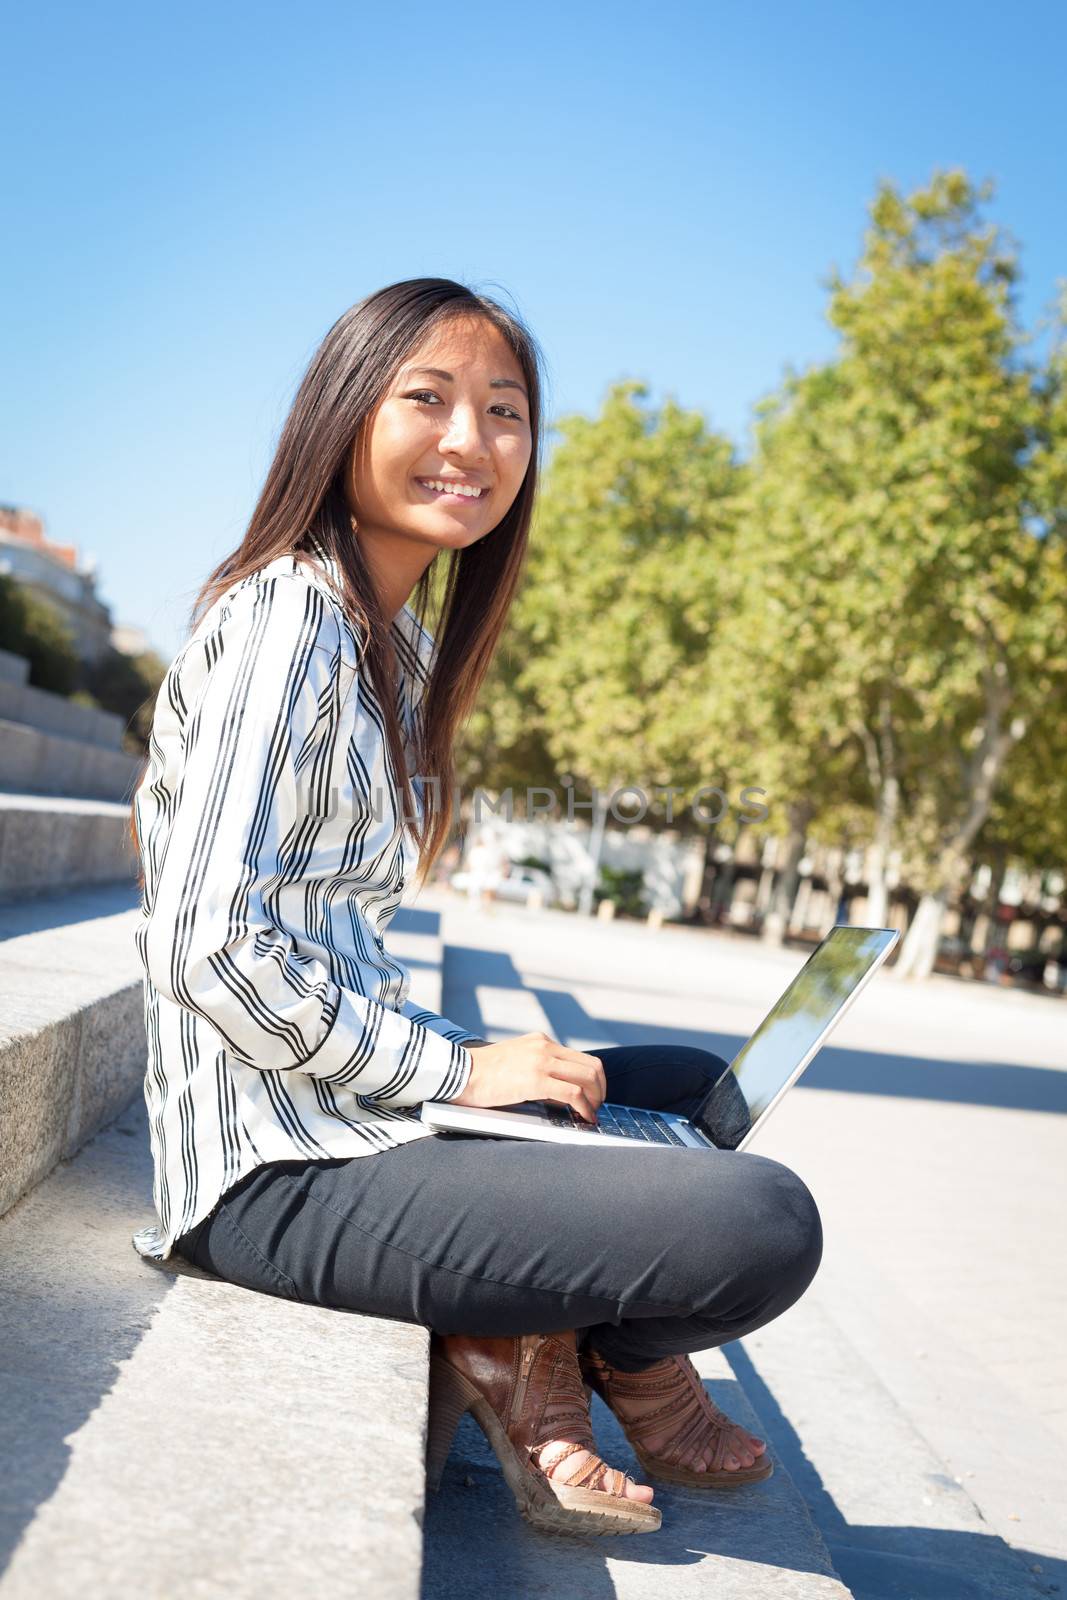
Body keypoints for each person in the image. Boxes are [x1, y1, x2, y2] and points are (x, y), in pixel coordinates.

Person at [128, 277, 822, 1539]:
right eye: (428, 399)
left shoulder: (379, 646)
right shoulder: (285, 616)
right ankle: (579, 1346)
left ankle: (542, 1327)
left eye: (504, 412)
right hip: (272, 1172)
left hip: (349, 1115)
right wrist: (451, 1069)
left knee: (682, 1082)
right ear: (343, 415)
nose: (471, 441)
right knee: (762, 1219)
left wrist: (470, 1083)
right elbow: (208, 948)